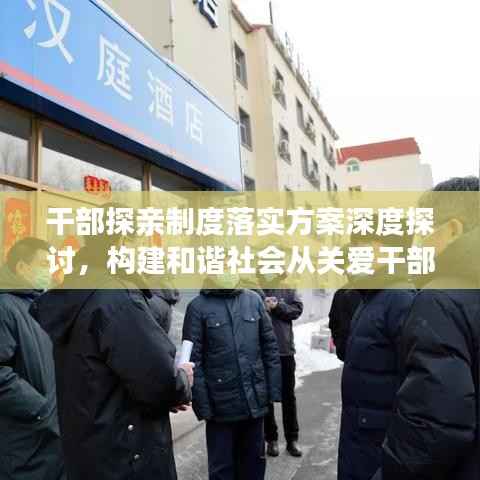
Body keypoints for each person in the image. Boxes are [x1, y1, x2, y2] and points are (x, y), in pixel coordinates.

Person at [29, 228, 194, 480]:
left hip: (90, 449)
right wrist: (182, 379)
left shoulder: (75, 291)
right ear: (122, 243)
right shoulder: (115, 298)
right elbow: (160, 382)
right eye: (144, 244)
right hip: (127, 453)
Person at [372, 176, 480, 480]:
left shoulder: (440, 299)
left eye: (424, 232)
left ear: (453, 230)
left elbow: (433, 428)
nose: (418, 244)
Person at [183, 272, 282, 480]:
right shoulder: (197, 307)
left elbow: (270, 348)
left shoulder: (253, 300)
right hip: (220, 409)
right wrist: (203, 406)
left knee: (254, 465)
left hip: (254, 405)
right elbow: (193, 361)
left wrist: (271, 392)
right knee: (222, 469)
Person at [338, 219, 416, 480]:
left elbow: (418, 395)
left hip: (380, 446)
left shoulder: (400, 299)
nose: (354, 252)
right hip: (360, 438)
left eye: (362, 244)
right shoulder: (371, 297)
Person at [0, 237, 65, 480]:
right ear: (22, 267)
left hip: (50, 437)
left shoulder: (38, 304)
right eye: (44, 264)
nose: (49, 270)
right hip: (24, 439)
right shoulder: (5, 306)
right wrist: (42, 411)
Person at [261, 272, 304, 458]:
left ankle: (292, 439)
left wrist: (278, 306)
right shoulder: (256, 287)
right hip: (262, 352)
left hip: (284, 351)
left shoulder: (287, 286)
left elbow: (297, 311)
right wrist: (263, 308)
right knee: (266, 398)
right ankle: (271, 439)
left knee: (288, 397)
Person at [328, 244, 363, 362]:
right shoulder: (340, 294)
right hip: (349, 360)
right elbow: (334, 323)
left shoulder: (380, 292)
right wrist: (342, 346)